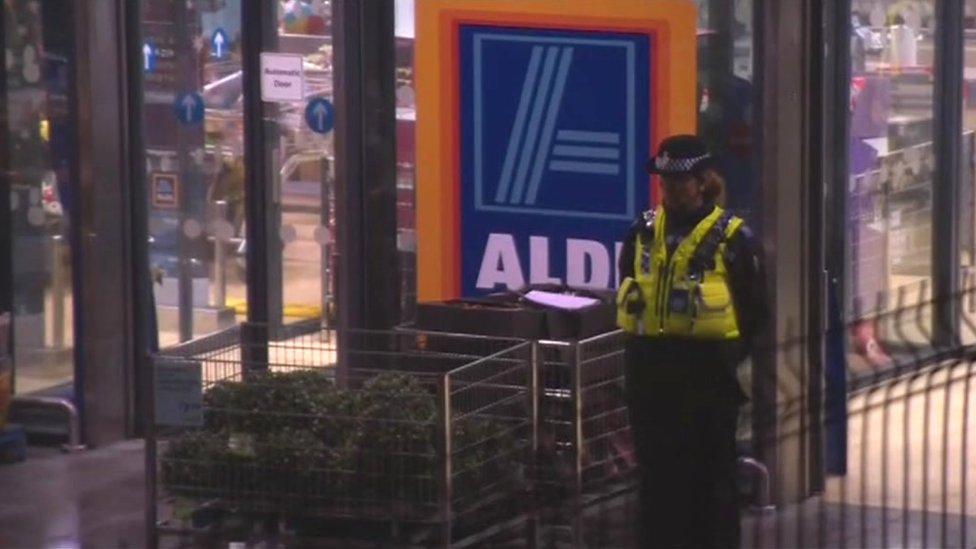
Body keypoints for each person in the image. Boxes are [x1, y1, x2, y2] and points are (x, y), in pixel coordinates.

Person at [616, 134, 768, 548]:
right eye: (665, 181)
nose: (671, 190)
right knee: (656, 482)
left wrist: (734, 367)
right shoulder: (641, 233)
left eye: (681, 181)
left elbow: (755, 313)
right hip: (650, 380)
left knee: (711, 483)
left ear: (703, 182)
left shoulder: (734, 239)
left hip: (709, 382)